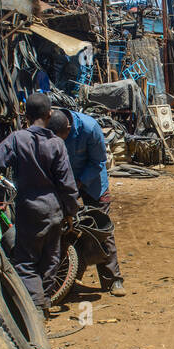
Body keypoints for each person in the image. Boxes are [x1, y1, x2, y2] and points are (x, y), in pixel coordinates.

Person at [0, 93, 80, 315]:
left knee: (26, 261)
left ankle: (35, 308)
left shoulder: (18, 139)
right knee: (51, 259)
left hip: (29, 210)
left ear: (25, 116)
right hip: (54, 210)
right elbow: (67, 184)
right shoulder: (57, 144)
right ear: (49, 115)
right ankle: (44, 302)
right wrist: (70, 212)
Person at [49, 108, 125, 297]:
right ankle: (68, 277)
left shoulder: (90, 128)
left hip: (93, 182)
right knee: (66, 227)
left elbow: (99, 161)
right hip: (67, 183)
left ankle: (113, 280)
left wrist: (79, 183)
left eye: (63, 137)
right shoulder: (52, 130)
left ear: (69, 127)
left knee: (100, 228)